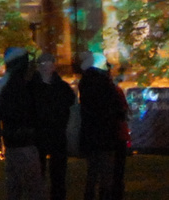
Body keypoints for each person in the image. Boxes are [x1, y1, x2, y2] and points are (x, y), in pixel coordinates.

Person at [0, 47, 46, 200]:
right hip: (26, 143)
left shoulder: (5, 87)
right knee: (33, 187)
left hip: (12, 143)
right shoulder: (25, 85)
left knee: (14, 186)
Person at [77, 52, 127, 200]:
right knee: (106, 172)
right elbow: (117, 109)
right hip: (106, 133)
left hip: (91, 134)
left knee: (92, 171)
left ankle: (90, 195)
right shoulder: (106, 86)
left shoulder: (85, 82)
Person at [35, 55, 76, 200]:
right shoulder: (33, 87)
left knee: (58, 174)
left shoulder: (62, 87)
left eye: (49, 63)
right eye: (43, 63)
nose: (46, 66)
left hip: (56, 133)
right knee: (37, 173)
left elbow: (71, 104)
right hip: (38, 134)